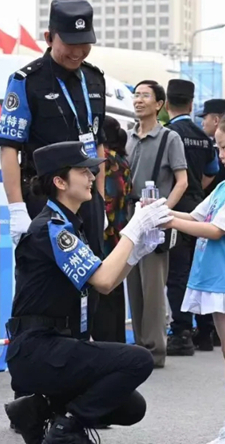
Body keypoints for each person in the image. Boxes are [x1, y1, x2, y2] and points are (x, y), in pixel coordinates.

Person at [3, 141, 172, 444]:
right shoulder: (52, 228)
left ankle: (38, 410)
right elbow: (104, 280)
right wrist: (134, 228)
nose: (92, 177)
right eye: (83, 171)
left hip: (56, 346)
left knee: (131, 406)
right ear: (60, 182)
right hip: (37, 350)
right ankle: (66, 427)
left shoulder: (69, 225)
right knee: (139, 360)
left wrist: (137, 251)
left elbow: (106, 281)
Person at [0, 0, 109, 409]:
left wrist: (100, 201)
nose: (77, 54)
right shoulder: (26, 81)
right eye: (69, 46)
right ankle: (27, 395)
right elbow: (9, 148)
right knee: (39, 292)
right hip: (44, 200)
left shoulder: (94, 79)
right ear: (49, 37)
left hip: (85, 198)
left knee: (88, 287)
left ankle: (74, 388)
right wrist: (15, 209)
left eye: (85, 45)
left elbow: (97, 143)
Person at [165, 111, 225, 444]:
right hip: (219, 277)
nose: (220, 155)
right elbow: (196, 216)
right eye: (218, 148)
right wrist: (161, 212)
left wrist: (170, 221)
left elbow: (216, 229)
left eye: (224, 148)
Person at [126, 80, 188, 368]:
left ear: (159, 104)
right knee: (132, 284)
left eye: (145, 96)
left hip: (153, 219)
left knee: (152, 286)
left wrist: (163, 213)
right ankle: (139, 347)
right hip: (129, 216)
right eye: (136, 95)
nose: (138, 100)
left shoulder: (169, 138)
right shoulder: (129, 136)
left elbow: (182, 181)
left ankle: (154, 351)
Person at [164, 79, 220, 356]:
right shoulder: (203, 136)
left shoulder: (166, 134)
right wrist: (196, 187)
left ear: (165, 104)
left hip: (175, 207)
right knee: (200, 269)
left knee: (178, 273)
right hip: (199, 206)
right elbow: (212, 171)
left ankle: (181, 331)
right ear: (191, 103)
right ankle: (206, 331)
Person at [195, 97, 225, 349]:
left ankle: (208, 331)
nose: (203, 123)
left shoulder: (223, 155)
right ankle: (217, 333)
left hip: (215, 221)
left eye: (205, 118)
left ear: (216, 119)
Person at [93, 116, 132, 343]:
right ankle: (118, 342)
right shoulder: (123, 160)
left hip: (103, 232)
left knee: (102, 290)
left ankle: (106, 344)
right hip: (119, 231)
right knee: (116, 289)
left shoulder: (102, 159)